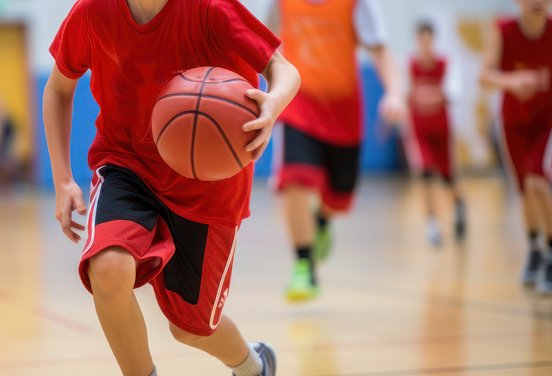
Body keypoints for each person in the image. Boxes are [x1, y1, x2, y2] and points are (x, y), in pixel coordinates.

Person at [43, 0, 300, 375]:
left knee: (191, 330)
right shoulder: (92, 12)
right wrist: (63, 179)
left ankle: (253, 365)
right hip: (128, 166)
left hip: (209, 186)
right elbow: (57, 90)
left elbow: (283, 68)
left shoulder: (211, 9)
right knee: (109, 268)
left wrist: (273, 103)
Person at [266, 0, 406, 302]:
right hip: (298, 105)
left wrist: (395, 94)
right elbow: (265, 45)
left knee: (339, 195)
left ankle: (322, 222)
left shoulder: (358, 4)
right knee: (295, 180)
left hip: (343, 111)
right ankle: (304, 264)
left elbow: (380, 49)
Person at [480, 0, 552, 294]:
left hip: (550, 119)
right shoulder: (503, 29)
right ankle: (534, 249)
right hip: (514, 122)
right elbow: (483, 75)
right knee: (524, 189)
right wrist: (512, 81)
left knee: (539, 181)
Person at [407, 21, 466, 246]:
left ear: (433, 40)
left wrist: (432, 98)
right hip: (420, 131)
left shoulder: (445, 64)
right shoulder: (410, 65)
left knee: (448, 177)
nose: (425, 44)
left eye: (428, 39)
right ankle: (432, 225)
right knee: (426, 175)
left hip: (441, 130)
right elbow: (406, 96)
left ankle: (459, 204)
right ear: (417, 41)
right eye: (421, 40)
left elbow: (452, 95)